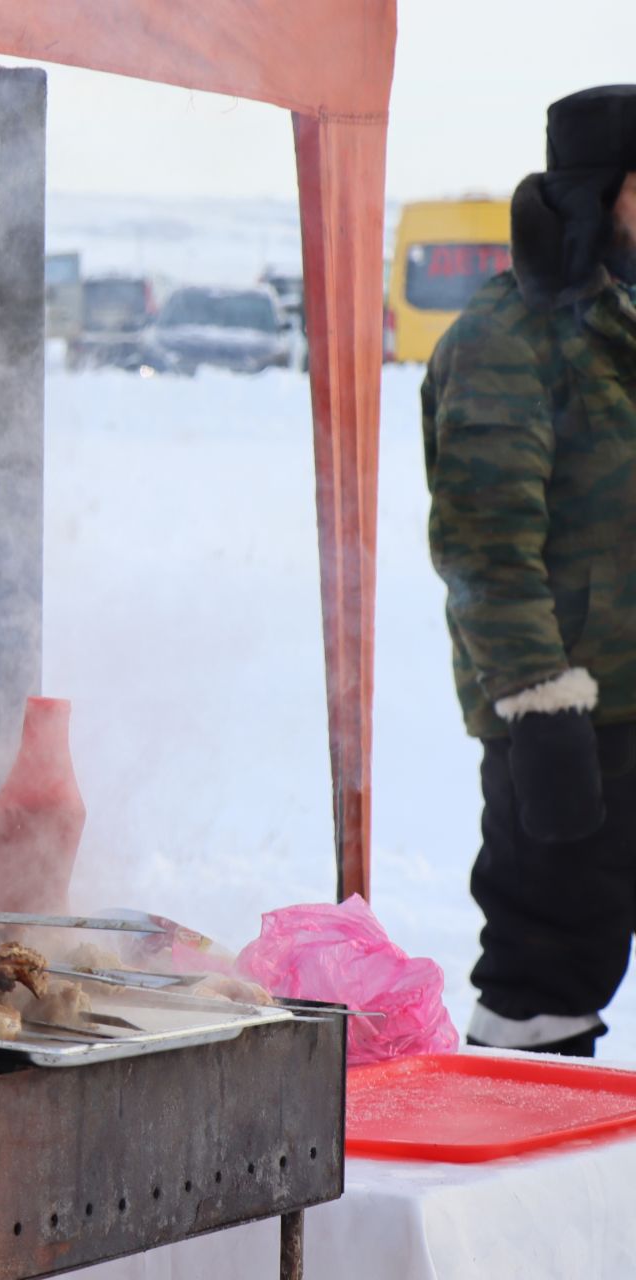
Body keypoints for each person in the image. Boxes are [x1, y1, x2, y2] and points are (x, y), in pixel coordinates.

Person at [423, 85, 636, 1058]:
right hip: (575, 726)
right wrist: (542, 713)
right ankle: (519, 1188)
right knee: (543, 980)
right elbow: (486, 546)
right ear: (605, 191)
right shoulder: (508, 340)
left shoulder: (625, 315)